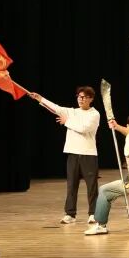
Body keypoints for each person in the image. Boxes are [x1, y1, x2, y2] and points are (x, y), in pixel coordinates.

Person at [29, 87, 100, 225]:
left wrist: (66, 122)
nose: (81, 99)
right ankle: (70, 214)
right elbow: (56, 108)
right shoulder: (72, 112)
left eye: (84, 97)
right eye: (79, 96)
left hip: (88, 154)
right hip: (73, 153)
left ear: (91, 99)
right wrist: (40, 98)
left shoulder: (94, 114)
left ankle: (93, 214)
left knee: (91, 186)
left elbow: (84, 128)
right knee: (71, 185)